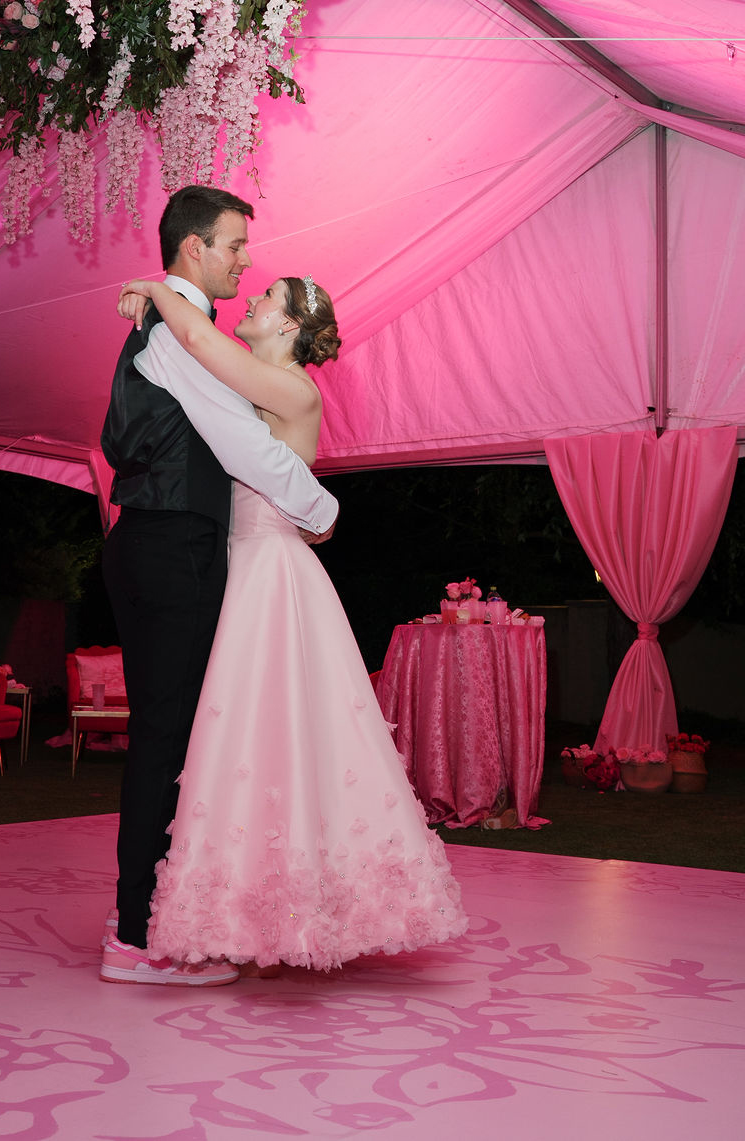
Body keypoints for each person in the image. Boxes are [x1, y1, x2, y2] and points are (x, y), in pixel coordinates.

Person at [116, 271, 468, 971]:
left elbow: (196, 341)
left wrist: (156, 291)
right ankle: (245, 907)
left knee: (271, 736)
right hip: (239, 564)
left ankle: (289, 909)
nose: (249, 298)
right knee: (248, 743)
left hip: (269, 574)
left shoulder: (293, 390)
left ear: (286, 326)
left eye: (266, 297)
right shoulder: (251, 389)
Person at [99, 186, 339, 986]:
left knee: (182, 739)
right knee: (166, 740)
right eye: (235, 245)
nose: (246, 260)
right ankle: (138, 935)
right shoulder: (177, 331)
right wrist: (323, 511)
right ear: (194, 247)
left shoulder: (175, 321)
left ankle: (157, 915)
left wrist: (156, 291)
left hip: (172, 547)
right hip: (173, 549)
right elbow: (245, 448)